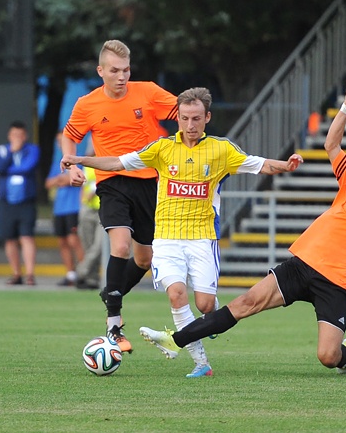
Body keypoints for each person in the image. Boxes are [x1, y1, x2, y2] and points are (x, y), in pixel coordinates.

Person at [137, 85, 346, 374]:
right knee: (245, 303)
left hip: (336, 285)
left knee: (328, 357)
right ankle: (176, 339)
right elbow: (331, 144)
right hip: (301, 265)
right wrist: (345, 106)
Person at [64, 87, 304, 377]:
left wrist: (286, 166)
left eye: (197, 119)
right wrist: (80, 160)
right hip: (166, 239)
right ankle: (201, 363)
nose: (190, 125)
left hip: (202, 238)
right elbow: (117, 162)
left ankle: (209, 318)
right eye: (185, 118)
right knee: (177, 295)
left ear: (207, 118)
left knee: (205, 304)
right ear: (177, 117)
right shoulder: (162, 149)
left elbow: (260, 164)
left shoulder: (221, 150)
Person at [61, 40, 178, 353]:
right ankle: (114, 323)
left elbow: (185, 114)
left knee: (145, 258)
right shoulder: (87, 104)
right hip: (112, 182)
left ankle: (112, 291)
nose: (122, 76)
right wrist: (72, 165)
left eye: (126, 69)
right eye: (114, 70)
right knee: (121, 245)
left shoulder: (149, 92)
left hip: (149, 182)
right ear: (101, 71)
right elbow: (70, 136)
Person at [0, 121, 39, 286]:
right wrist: (12, 152)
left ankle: (30, 274)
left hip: (26, 200)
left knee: (27, 236)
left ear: (25, 136)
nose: (17, 138)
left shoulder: (32, 149)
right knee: (9, 238)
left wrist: (4, 171)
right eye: (14, 135)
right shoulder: (3, 150)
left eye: (20, 135)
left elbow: (27, 167)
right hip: (6, 201)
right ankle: (16, 273)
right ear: (9, 136)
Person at [46, 133, 85, 286]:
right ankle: (71, 274)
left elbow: (74, 179)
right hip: (59, 208)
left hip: (73, 206)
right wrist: (60, 180)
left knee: (74, 240)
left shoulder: (77, 161)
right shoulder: (57, 163)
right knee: (62, 241)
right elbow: (48, 183)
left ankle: (84, 272)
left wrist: (61, 180)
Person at [75, 166, 104, 290]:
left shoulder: (109, 162)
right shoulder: (86, 166)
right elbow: (83, 188)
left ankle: (80, 271)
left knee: (98, 246)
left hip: (103, 209)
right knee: (88, 245)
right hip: (87, 209)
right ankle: (91, 279)